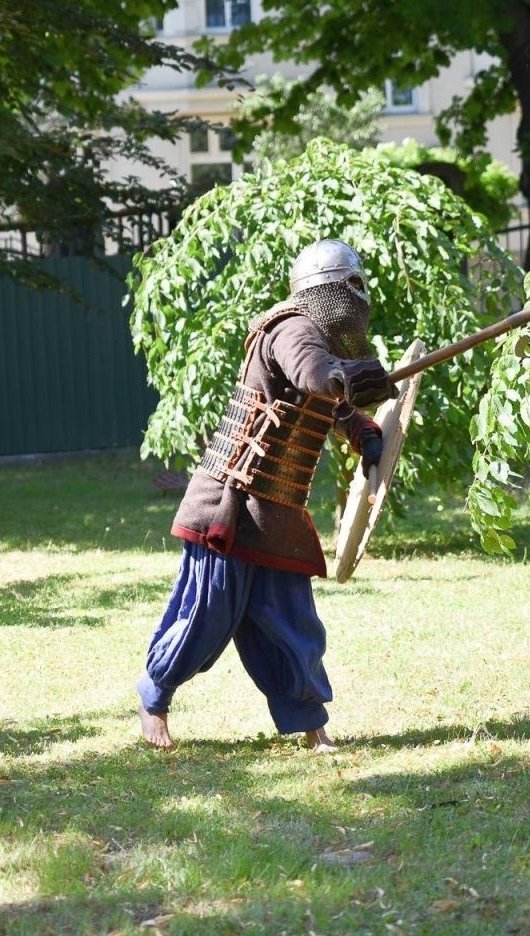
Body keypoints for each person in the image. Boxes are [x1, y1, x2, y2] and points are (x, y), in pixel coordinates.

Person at [136, 238, 398, 750]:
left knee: (293, 626)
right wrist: (349, 376)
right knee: (205, 617)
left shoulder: (323, 344)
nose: (359, 300)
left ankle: (310, 724)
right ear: (329, 292)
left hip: (278, 513)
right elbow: (313, 374)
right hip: (230, 503)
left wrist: (363, 431)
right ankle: (154, 697)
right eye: (352, 287)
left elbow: (334, 405)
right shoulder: (291, 328)